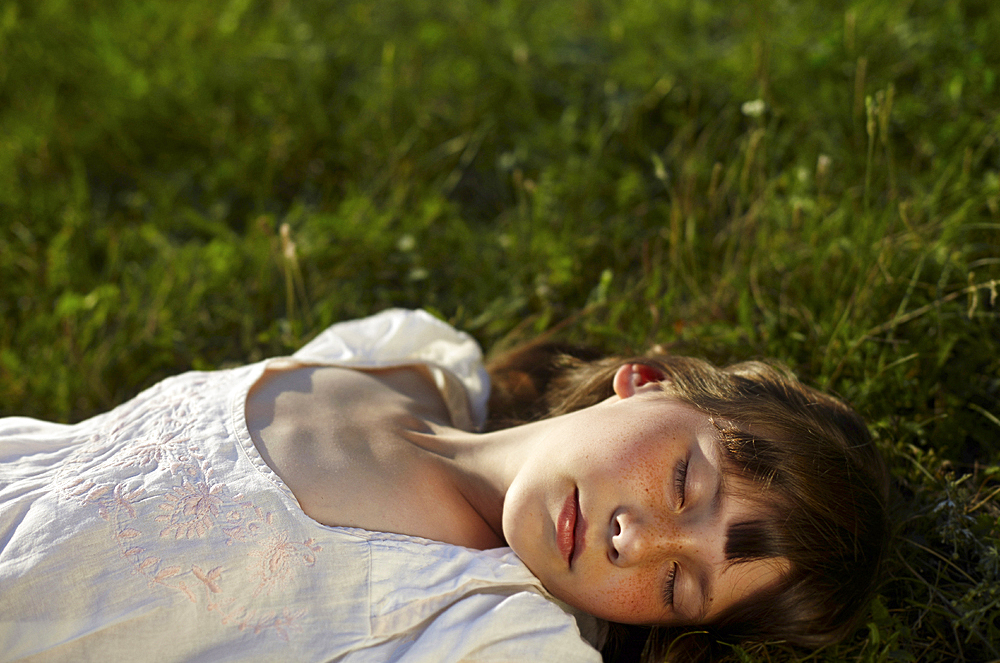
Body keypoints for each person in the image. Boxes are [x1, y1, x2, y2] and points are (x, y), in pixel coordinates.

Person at [0, 308, 889, 662]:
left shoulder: (487, 625)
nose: (638, 539)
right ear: (644, 380)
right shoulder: (409, 360)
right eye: (683, 481)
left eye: (674, 582)